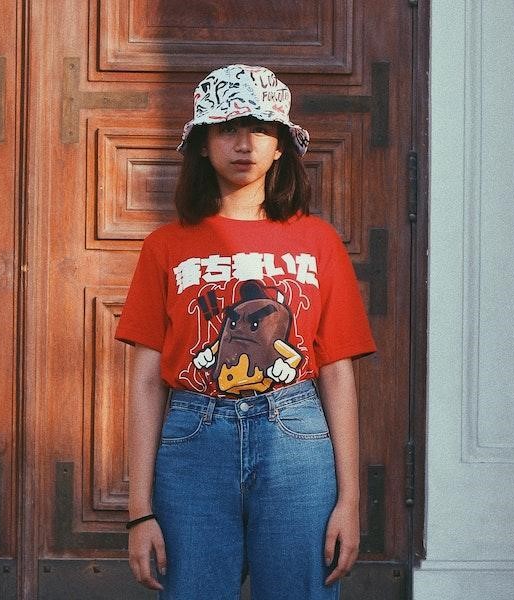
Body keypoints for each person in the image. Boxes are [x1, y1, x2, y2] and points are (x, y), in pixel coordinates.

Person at [115, 64, 376, 599]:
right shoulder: (166, 246)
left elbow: (336, 369)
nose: (245, 143)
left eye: (261, 128)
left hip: (296, 437)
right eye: (228, 128)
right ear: (204, 144)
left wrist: (350, 499)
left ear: (280, 145)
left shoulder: (317, 240)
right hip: (193, 442)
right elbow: (145, 380)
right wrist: (139, 511)